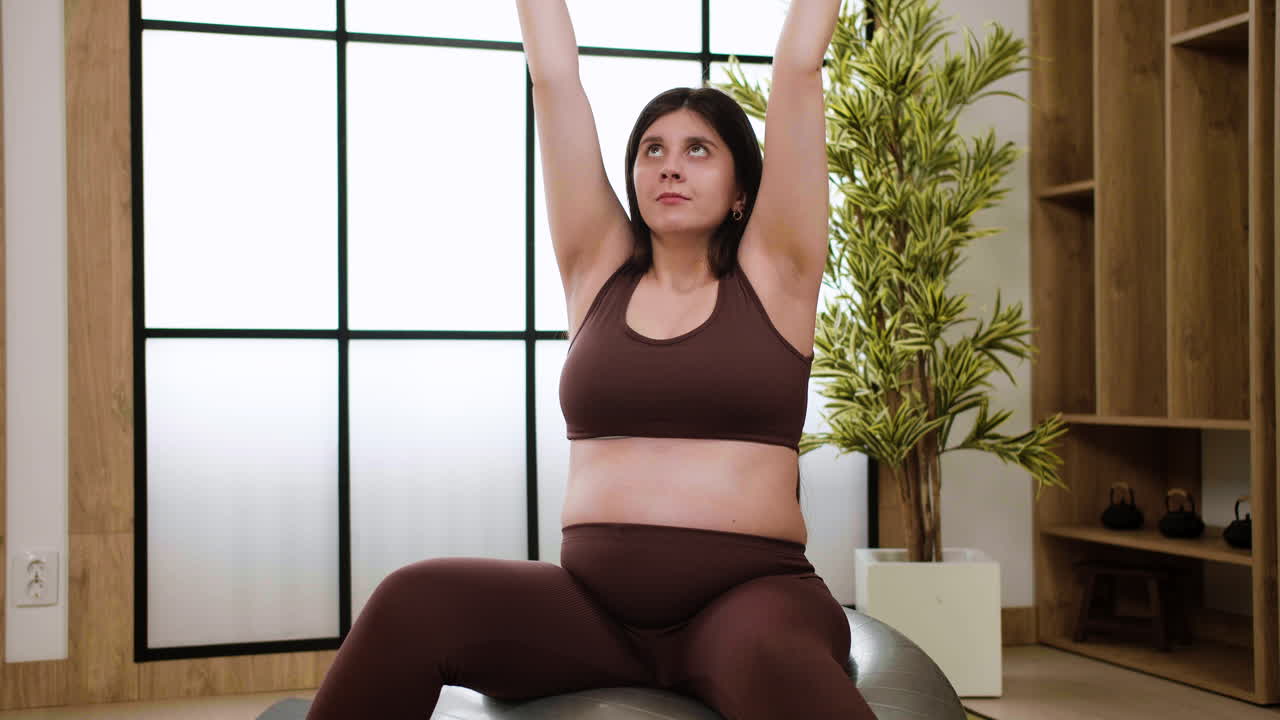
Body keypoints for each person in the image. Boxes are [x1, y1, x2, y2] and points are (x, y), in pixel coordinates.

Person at [306, 1, 876, 718]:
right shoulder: (596, 266)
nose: (670, 166)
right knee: (412, 600)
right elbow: (553, 77)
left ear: (741, 192)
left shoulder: (777, 274)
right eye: (652, 150)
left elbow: (796, 68)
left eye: (698, 150)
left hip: (751, 601)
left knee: (772, 659)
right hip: (593, 612)